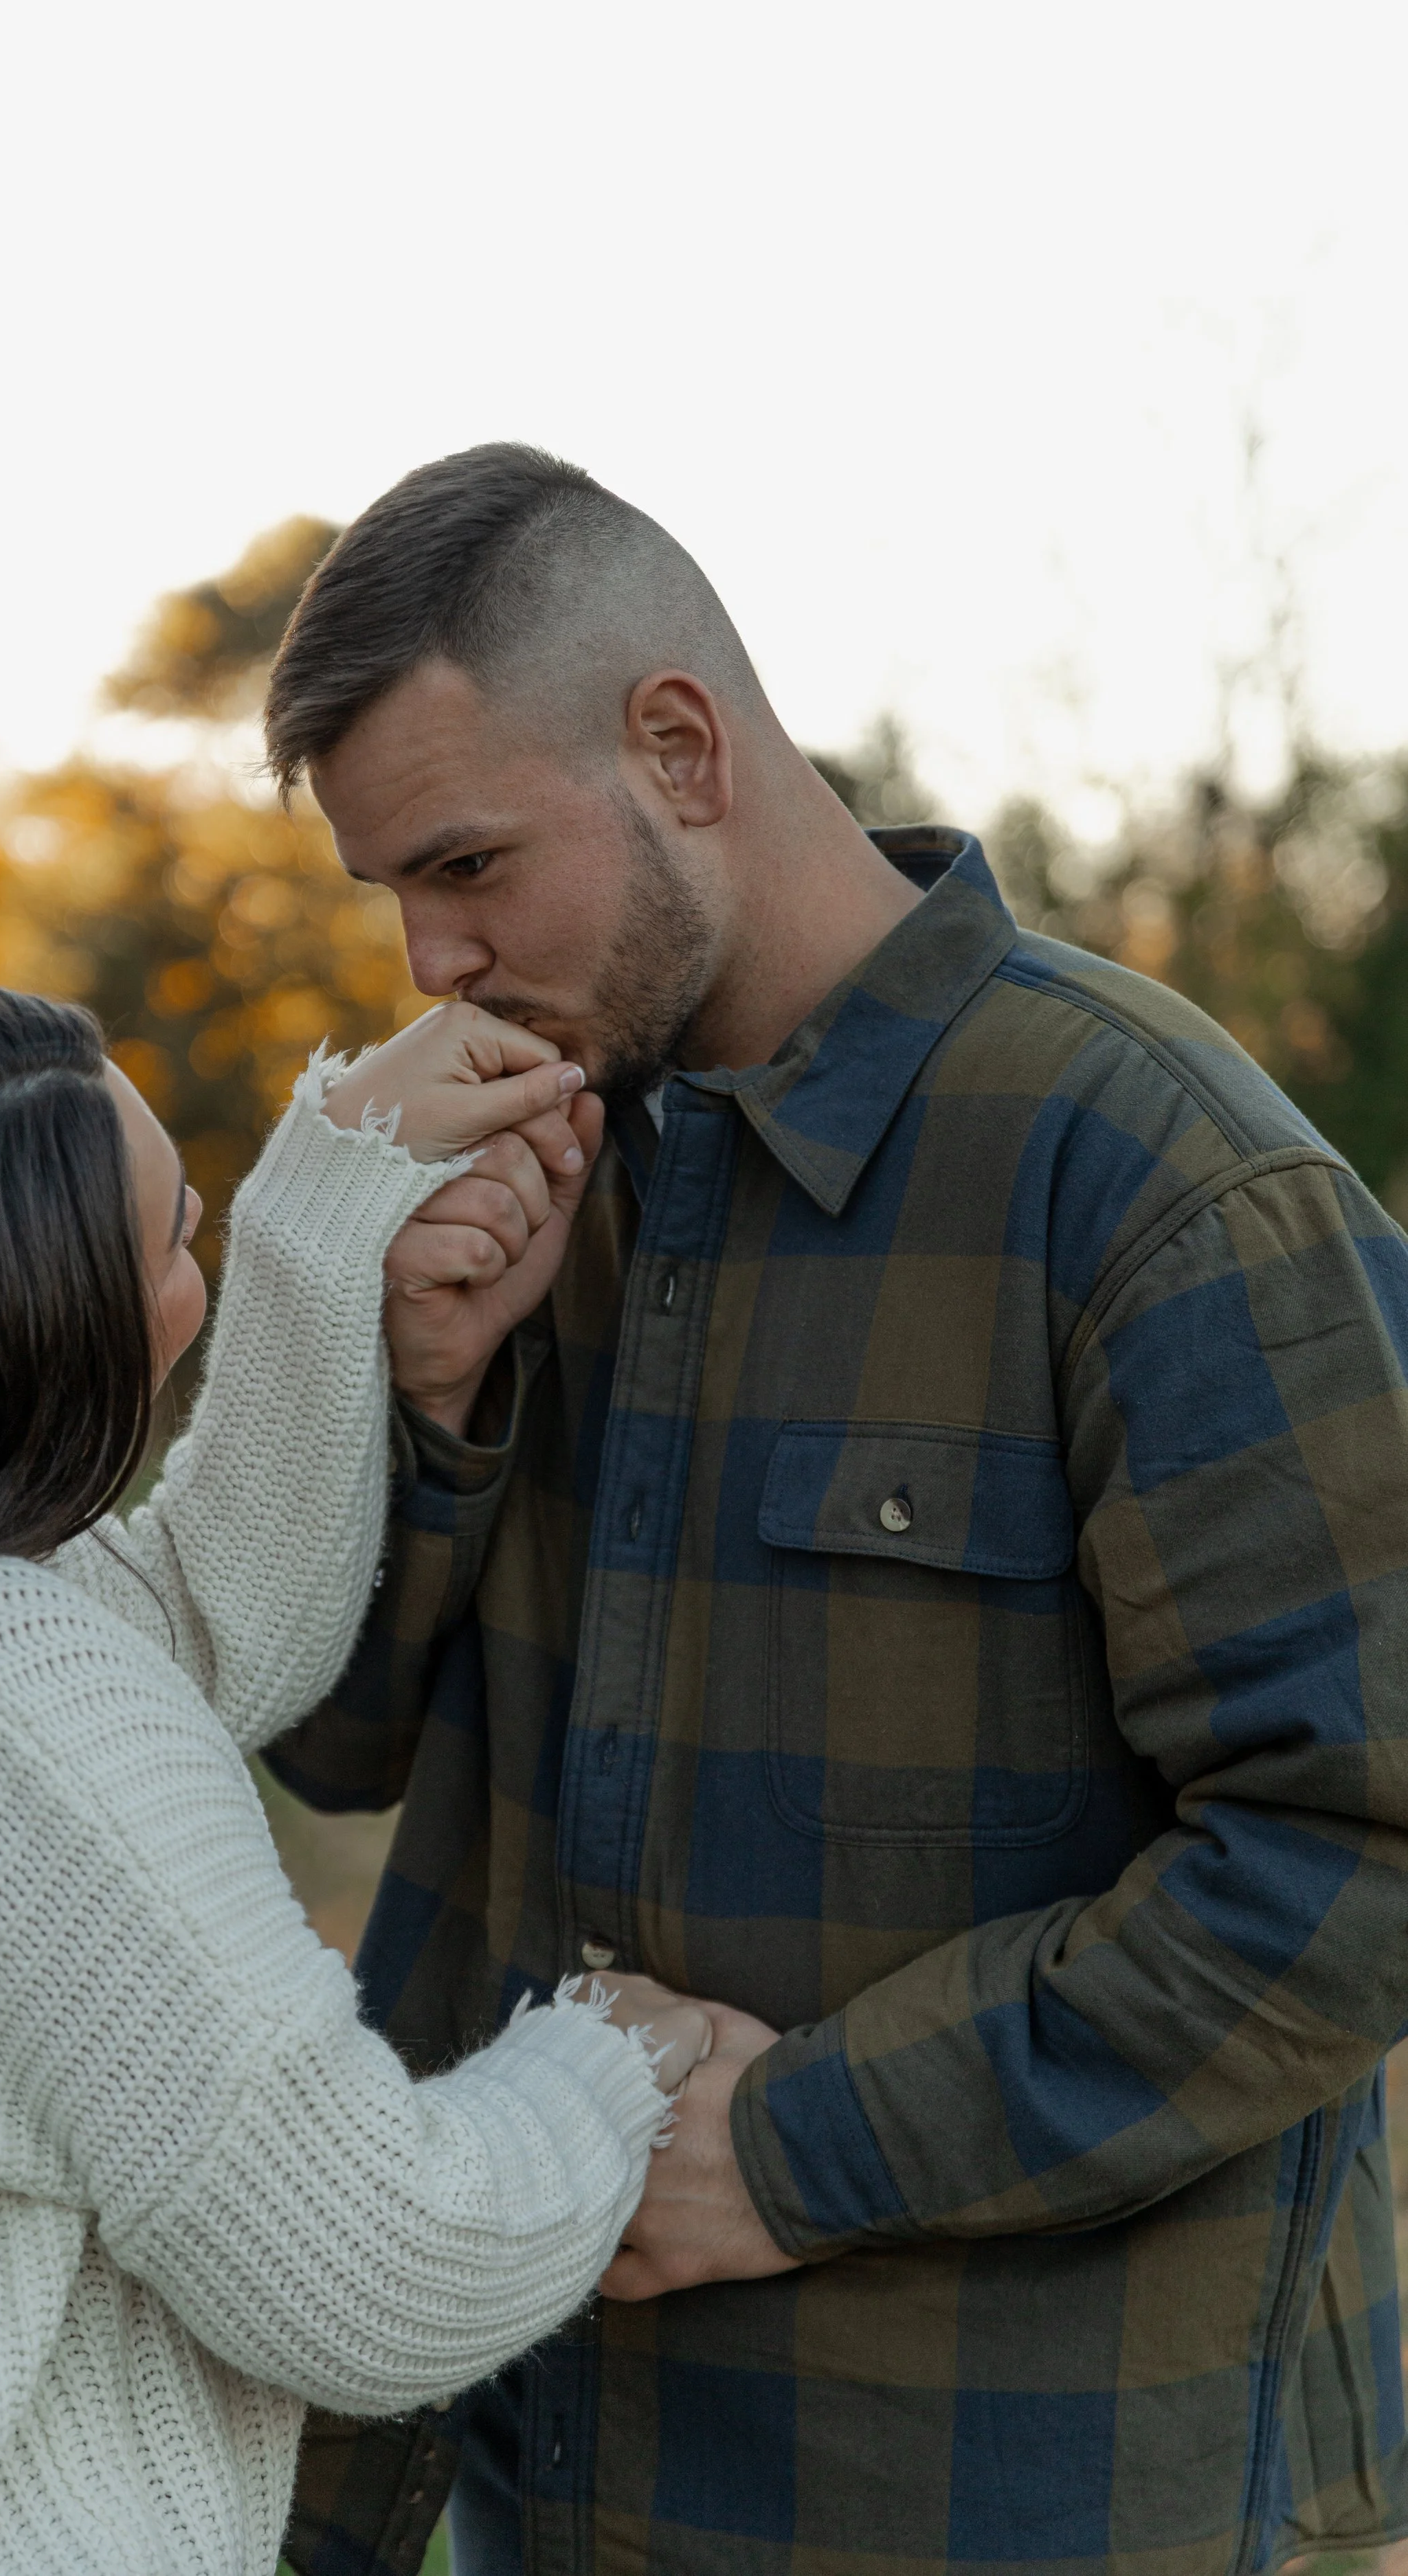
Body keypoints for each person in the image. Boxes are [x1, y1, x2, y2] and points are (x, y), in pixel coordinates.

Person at [262, 444, 1408, 2576]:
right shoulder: (502, 1179)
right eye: (390, 894)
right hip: (535, 2471)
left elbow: (1352, 1856)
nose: (428, 957)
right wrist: (415, 1401)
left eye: (467, 862)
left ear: (678, 744)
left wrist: (789, 2149)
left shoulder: (1151, 1183)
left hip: (1005, 2498)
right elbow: (321, 1747)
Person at [0, 980, 715, 2575]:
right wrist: (606, 2064)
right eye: (181, 1244)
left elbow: (196, 1627)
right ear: (39, 1341)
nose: (202, 1276)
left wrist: (325, 1221)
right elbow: (375, 2266)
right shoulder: (3, 1694)